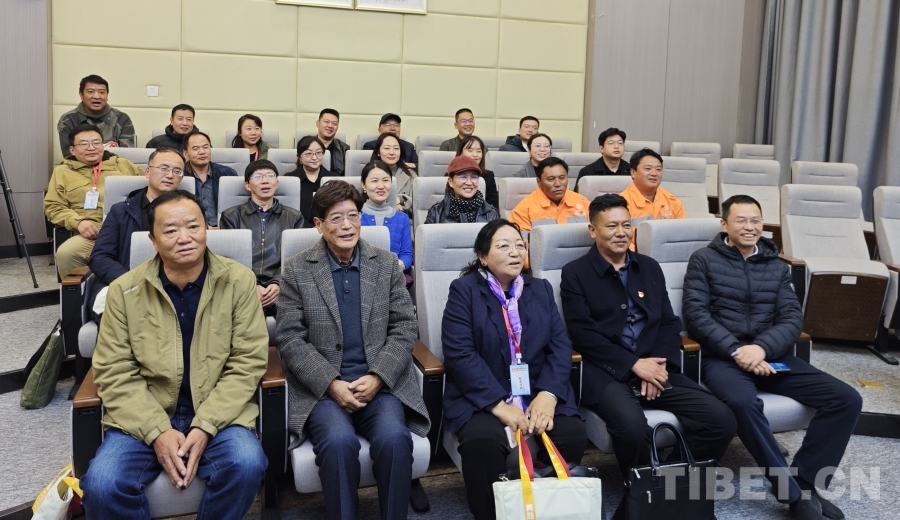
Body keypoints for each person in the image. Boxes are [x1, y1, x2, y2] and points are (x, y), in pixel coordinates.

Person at [80, 190, 269, 520]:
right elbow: (113, 371)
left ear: (206, 229)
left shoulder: (239, 281)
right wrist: (157, 431)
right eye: (170, 230)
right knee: (102, 484)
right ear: (153, 240)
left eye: (193, 226)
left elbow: (247, 362)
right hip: (144, 412)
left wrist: (206, 425)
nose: (185, 237)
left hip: (218, 411)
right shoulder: (124, 291)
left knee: (247, 463)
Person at [683, 195, 862, 520]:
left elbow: (792, 318)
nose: (749, 227)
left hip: (770, 355)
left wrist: (761, 349)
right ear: (724, 224)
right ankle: (792, 495)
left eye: (755, 220)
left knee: (846, 399)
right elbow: (696, 315)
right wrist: (737, 350)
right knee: (743, 402)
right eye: (741, 220)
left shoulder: (777, 266)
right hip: (722, 358)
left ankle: (806, 482)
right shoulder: (704, 260)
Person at [560, 194, 736, 519]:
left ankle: (663, 490)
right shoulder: (575, 273)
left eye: (626, 225)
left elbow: (669, 322)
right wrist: (634, 365)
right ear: (593, 230)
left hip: (656, 365)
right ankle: (647, 498)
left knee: (720, 419)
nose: (621, 232)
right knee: (631, 428)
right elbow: (583, 334)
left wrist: (658, 364)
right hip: (607, 371)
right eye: (611, 226)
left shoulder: (649, 267)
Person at [276, 180, 429, 520]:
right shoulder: (298, 269)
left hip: (380, 386)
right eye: (336, 218)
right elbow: (289, 338)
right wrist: (331, 384)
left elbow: (405, 327)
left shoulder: (386, 264)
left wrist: (378, 377)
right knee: (338, 444)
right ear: (319, 225)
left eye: (353, 216)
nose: (347, 226)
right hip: (324, 391)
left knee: (394, 440)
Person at [441, 219, 587, 520]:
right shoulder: (464, 291)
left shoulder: (540, 288)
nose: (515, 252)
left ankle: (546, 508)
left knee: (571, 433)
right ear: (483, 256)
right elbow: (459, 353)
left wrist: (548, 395)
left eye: (520, 245)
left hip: (536, 389)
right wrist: (498, 405)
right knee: (483, 441)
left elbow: (560, 346)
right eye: (503, 246)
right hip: (482, 396)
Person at [88, 147, 185, 313]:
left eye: (177, 171)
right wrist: (134, 282)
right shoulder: (120, 211)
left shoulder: (189, 212)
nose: (170, 175)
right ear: (147, 172)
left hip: (173, 285)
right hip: (124, 281)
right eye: (164, 168)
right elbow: (100, 257)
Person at [45, 124, 143, 278]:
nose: (91, 148)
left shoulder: (124, 165)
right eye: (84, 144)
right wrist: (78, 222)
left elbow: (149, 189)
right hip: (92, 233)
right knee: (66, 253)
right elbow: (53, 206)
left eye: (96, 143)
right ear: (72, 150)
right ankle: (80, 292)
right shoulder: (62, 171)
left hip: (127, 229)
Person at [220, 160, 305, 316]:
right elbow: (229, 259)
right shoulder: (231, 216)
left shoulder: (294, 217)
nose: (265, 181)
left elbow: (296, 256)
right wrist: (253, 284)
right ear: (247, 185)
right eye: (258, 176)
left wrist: (278, 282)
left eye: (270, 176)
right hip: (242, 285)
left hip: (284, 287)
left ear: (277, 183)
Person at [509, 157, 589, 240]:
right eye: (551, 179)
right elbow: (522, 245)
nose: (558, 184)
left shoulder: (583, 202)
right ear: (539, 182)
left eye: (562, 178)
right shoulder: (523, 210)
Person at [619, 148, 685, 247]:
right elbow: (620, 242)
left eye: (658, 169)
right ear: (633, 172)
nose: (654, 173)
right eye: (648, 168)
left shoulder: (673, 202)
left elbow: (681, 236)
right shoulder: (621, 204)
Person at [57, 74, 136, 157]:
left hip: (114, 165)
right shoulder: (68, 119)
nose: (97, 96)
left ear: (107, 96)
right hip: (79, 165)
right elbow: (69, 155)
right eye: (90, 91)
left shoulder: (121, 118)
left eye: (102, 92)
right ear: (81, 95)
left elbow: (128, 154)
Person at [359, 161, 413, 272]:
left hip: (393, 275)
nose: (381, 186)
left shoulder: (402, 218)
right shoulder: (355, 216)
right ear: (363, 184)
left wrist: (397, 266)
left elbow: (406, 255)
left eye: (385, 180)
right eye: (374, 181)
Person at [183, 132, 238, 228]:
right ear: (186, 153)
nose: (202, 152)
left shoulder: (228, 173)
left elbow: (236, 208)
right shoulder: (180, 176)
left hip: (225, 228)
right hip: (192, 229)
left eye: (205, 147)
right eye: (195, 148)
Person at [425, 156, 499, 224]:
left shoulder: (491, 213)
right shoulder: (436, 212)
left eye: (474, 177)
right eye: (463, 177)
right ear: (450, 182)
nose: (469, 183)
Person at [285, 135, 332, 227]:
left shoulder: (333, 179)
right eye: (309, 153)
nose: (314, 157)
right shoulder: (289, 179)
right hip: (297, 228)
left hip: (328, 229)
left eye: (318, 153)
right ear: (299, 157)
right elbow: (287, 212)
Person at [370, 133, 417, 215]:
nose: (392, 152)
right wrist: (392, 203)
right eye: (387, 148)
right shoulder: (370, 173)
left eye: (396, 148)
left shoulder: (411, 174)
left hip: (403, 218)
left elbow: (418, 203)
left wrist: (400, 200)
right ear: (378, 152)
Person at [456, 135, 498, 209]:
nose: (475, 155)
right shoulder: (451, 175)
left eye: (479, 151)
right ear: (461, 153)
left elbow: (494, 206)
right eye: (470, 150)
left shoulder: (489, 176)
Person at [315, 108, 350, 175]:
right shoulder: (307, 146)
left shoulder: (344, 149)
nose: (330, 126)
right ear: (318, 123)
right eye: (326, 122)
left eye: (334, 123)